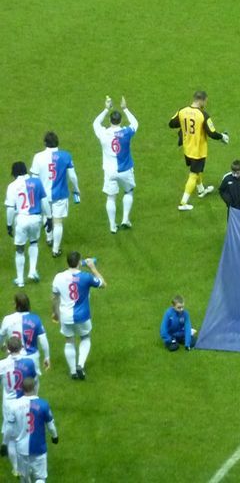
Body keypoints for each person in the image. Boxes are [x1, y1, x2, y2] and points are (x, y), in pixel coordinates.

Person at [169, 90, 230, 211]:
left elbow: (171, 124)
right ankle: (183, 202)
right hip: (198, 150)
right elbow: (212, 133)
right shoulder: (203, 115)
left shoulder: (182, 110)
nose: (206, 103)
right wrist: (222, 136)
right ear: (201, 100)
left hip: (187, 148)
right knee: (194, 174)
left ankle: (201, 189)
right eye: (206, 101)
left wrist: (183, 125)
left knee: (197, 170)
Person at [51, 253, 106, 380]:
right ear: (79, 262)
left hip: (65, 315)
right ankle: (80, 364)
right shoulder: (86, 277)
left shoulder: (58, 277)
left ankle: (72, 372)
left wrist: (55, 313)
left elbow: (54, 298)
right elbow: (103, 284)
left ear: (67, 262)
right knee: (85, 338)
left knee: (69, 340)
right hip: (82, 315)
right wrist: (92, 267)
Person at [92, 95, 138, 233]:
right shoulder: (126, 132)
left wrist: (106, 109)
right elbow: (135, 123)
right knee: (128, 191)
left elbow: (95, 123)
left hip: (110, 171)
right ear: (120, 121)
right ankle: (125, 219)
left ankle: (112, 225)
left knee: (111, 197)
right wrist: (125, 108)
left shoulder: (103, 133)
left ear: (110, 120)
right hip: (125, 169)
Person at [30, 132, 80, 257]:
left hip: (43, 195)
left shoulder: (38, 157)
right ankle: (55, 250)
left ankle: (48, 238)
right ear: (57, 142)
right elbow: (73, 176)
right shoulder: (65, 156)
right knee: (58, 222)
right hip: (60, 195)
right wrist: (76, 189)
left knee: (47, 216)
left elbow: (34, 178)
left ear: (45, 143)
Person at [5, 162, 51, 287]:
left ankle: (20, 280)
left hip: (22, 219)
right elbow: (44, 201)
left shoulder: (12, 186)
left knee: (19, 249)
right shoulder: (37, 182)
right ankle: (32, 271)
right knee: (34, 243)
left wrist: (9, 225)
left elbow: (10, 208)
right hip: (36, 218)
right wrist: (50, 217)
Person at [7, 378, 57, 483]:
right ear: (34, 387)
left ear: (22, 389)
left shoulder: (14, 406)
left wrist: (5, 442)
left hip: (21, 449)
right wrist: (54, 436)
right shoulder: (43, 404)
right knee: (40, 478)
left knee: (24, 478)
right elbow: (50, 425)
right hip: (39, 448)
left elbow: (9, 428)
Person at [0, 338, 38, 476]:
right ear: (21, 347)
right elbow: (34, 381)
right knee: (26, 433)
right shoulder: (29, 362)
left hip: (9, 403)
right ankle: (31, 467)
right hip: (25, 401)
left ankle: (16, 468)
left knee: (11, 437)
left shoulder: (2, 364)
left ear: (8, 349)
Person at [0, 293, 51, 375]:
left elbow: (1, 337)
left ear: (16, 304)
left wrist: (2, 346)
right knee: (31, 385)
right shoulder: (35, 319)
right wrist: (47, 357)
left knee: (15, 384)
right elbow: (43, 340)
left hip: (13, 358)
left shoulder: (7, 319)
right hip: (32, 358)